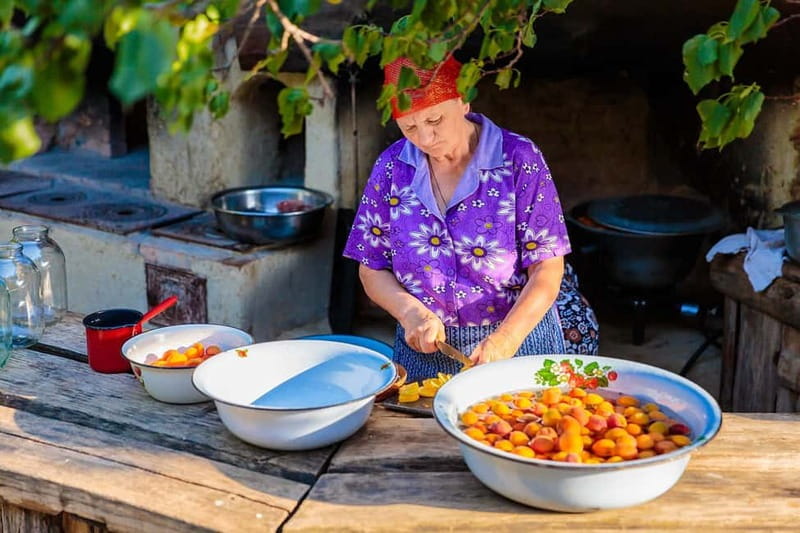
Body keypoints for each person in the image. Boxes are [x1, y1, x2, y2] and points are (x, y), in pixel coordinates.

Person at [343, 55, 598, 381]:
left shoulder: (519, 158)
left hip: (519, 345)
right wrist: (412, 314)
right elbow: (371, 267)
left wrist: (504, 341)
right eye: (410, 127)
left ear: (462, 99)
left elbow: (547, 268)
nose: (424, 138)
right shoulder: (392, 167)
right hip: (426, 355)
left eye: (434, 120)